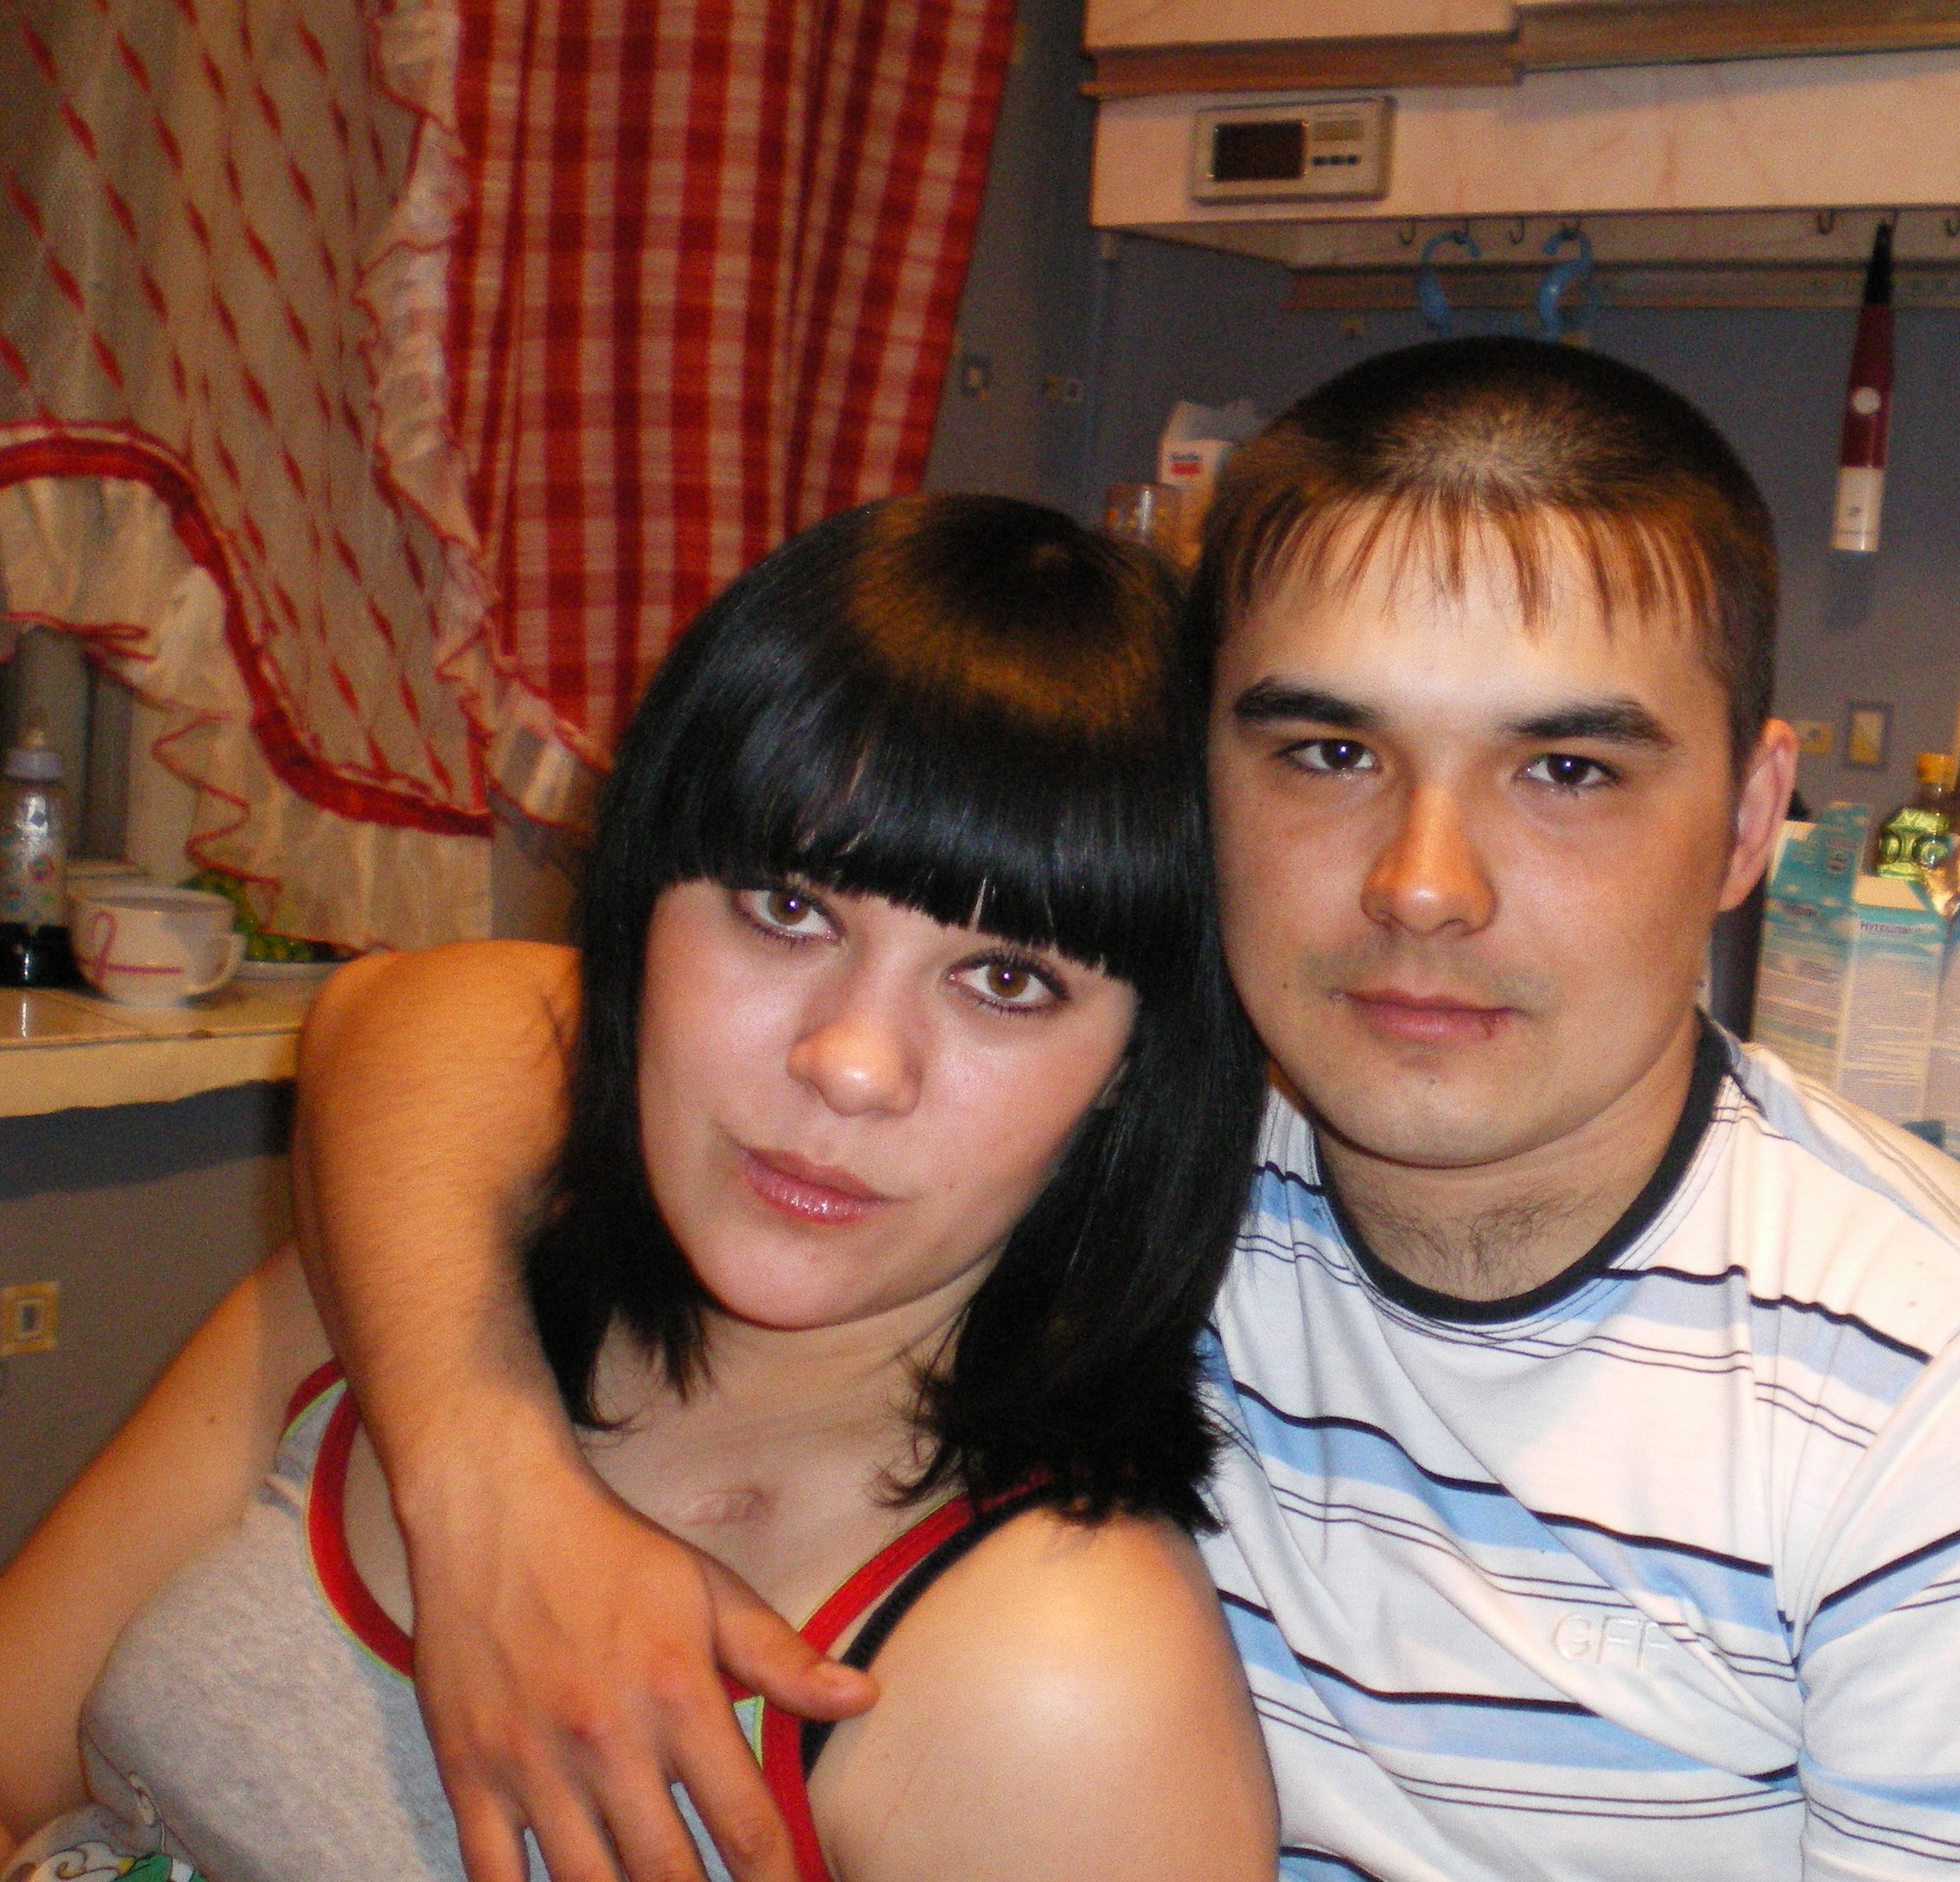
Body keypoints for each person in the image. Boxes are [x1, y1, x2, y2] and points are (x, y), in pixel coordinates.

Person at [266, 338, 1960, 1882]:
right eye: (1328, 749)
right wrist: (485, 1478)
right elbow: (424, 1027)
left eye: (1565, 771)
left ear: (1752, 817)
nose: (1421, 884)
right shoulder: (1121, 1142)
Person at [0, 495, 1278, 1881]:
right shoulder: (415, 1283)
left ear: (1137, 1070)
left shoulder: (1062, 1674)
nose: (851, 1064)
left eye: (1007, 980)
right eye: (787, 908)